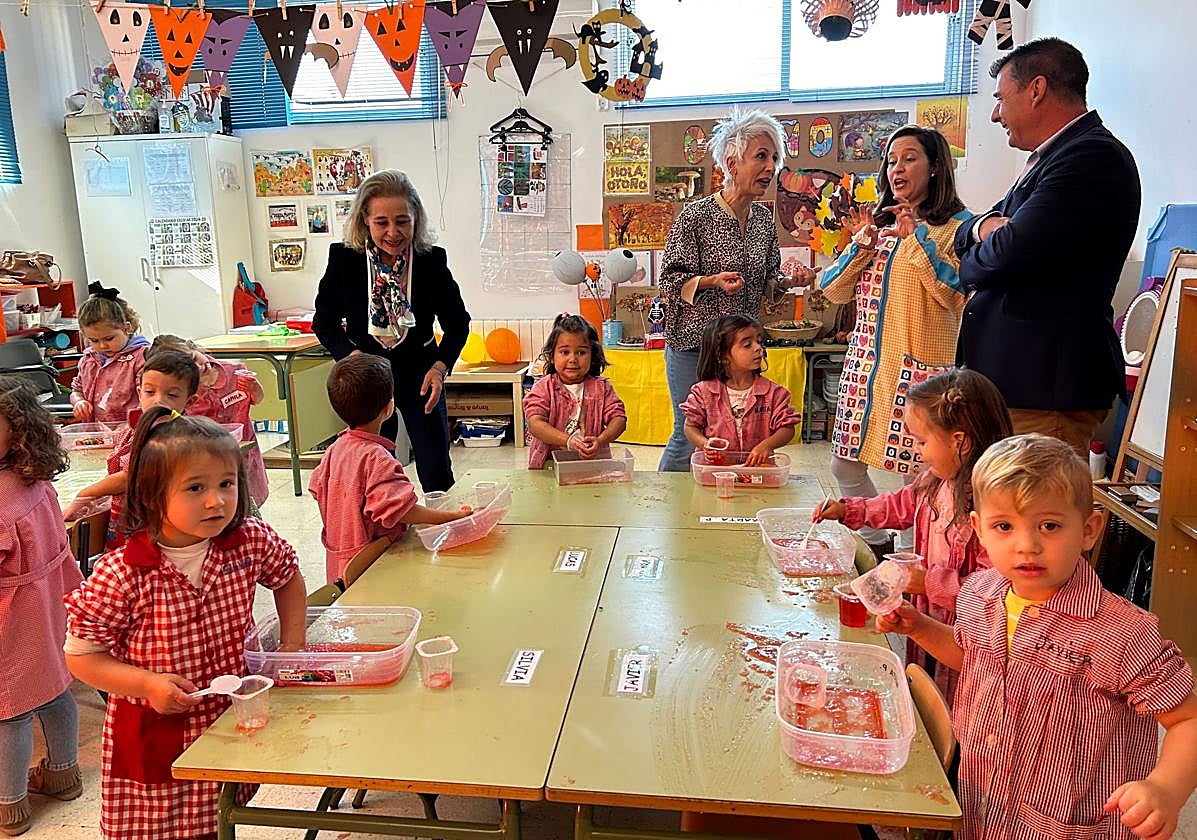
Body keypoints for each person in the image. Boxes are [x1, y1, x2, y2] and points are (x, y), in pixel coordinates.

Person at [879, 434, 1197, 840]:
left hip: (1071, 824)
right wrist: (920, 627)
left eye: (1049, 525)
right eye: (1004, 526)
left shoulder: (1121, 632)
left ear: (1089, 529)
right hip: (982, 807)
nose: (1027, 545)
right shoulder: (979, 593)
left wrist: (1166, 787)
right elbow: (974, 658)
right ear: (979, 529)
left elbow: (1187, 719)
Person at [64, 407, 307, 840]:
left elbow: (288, 578)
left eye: (226, 484)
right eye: (196, 487)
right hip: (154, 725)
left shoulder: (247, 540)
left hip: (227, 714)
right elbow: (82, 658)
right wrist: (147, 685)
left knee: (221, 815)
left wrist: (291, 645)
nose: (216, 501)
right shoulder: (122, 572)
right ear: (153, 495)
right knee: (159, 827)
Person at [954, 38, 1140, 456]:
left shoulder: (1091, 157)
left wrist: (985, 240)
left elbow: (1004, 255)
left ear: (1036, 89)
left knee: (1034, 514)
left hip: (1045, 390)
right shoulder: (1049, 160)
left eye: (1002, 98)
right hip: (1016, 385)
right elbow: (964, 237)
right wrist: (984, 230)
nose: (996, 113)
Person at [818, 125, 973, 558]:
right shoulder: (882, 224)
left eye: (909, 158)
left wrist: (917, 239)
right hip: (866, 370)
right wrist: (861, 245)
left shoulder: (959, 228)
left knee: (920, 480)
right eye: (890, 160)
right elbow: (832, 290)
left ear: (936, 166)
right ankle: (878, 543)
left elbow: (952, 293)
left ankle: (917, 566)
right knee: (843, 463)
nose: (897, 168)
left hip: (920, 375)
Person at [813, 368, 1012, 701]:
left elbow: (995, 591)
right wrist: (849, 510)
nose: (917, 450)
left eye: (922, 441)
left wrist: (929, 583)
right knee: (924, 688)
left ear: (959, 442)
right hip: (926, 625)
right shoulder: (934, 480)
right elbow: (900, 505)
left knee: (950, 707)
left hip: (967, 643)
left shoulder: (994, 508)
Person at [657, 107, 815, 472]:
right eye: (761, 156)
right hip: (693, 347)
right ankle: (670, 513)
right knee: (689, 432)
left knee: (734, 434)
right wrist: (711, 281)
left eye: (774, 157)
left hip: (740, 352)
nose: (770, 167)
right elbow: (669, 282)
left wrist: (792, 282)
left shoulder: (762, 219)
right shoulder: (695, 216)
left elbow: (768, 284)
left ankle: (719, 502)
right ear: (732, 162)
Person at [313, 170, 471, 492]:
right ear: (365, 221)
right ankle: (383, 536)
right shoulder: (344, 260)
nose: (393, 232)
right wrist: (352, 357)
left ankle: (444, 534)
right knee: (372, 471)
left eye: (402, 221)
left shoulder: (431, 261)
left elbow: (458, 323)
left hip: (421, 374)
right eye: (381, 222)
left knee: (435, 469)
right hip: (367, 379)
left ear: (416, 218)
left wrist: (440, 368)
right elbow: (324, 323)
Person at [0, 378, 83, 836]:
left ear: (18, 433)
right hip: (48, 600)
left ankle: (9, 805)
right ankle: (63, 774)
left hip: (10, 614)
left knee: (8, 708)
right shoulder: (37, 481)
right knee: (54, 688)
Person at [310, 355, 472, 584]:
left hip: (338, 563)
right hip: (374, 564)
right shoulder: (377, 458)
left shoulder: (334, 449)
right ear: (389, 407)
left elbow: (318, 490)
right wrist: (451, 517)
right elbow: (403, 511)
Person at [63, 350, 201, 549]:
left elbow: (131, 475)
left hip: (156, 523)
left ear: (189, 402)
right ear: (139, 392)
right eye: (150, 392)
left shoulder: (175, 436)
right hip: (127, 515)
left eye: (171, 395)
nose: (158, 400)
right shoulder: (132, 426)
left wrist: (86, 495)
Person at [148, 335, 269, 508]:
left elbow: (256, 400)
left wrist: (256, 390)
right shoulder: (185, 393)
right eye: (190, 368)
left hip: (244, 453)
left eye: (194, 358)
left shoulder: (235, 371)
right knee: (219, 502)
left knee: (248, 502)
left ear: (195, 347)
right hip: (207, 457)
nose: (199, 367)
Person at [681, 315, 800, 467]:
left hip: (759, 471)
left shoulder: (774, 393)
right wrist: (705, 444)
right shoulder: (703, 392)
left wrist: (766, 446)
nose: (758, 348)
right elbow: (690, 427)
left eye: (758, 341)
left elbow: (787, 429)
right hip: (716, 471)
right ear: (722, 356)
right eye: (747, 344)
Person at [523, 314, 627, 469]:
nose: (573, 359)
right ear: (552, 356)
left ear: (592, 356)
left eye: (581, 353)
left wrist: (601, 441)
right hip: (549, 466)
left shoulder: (602, 388)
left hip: (592, 466)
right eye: (565, 352)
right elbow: (535, 424)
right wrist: (568, 440)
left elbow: (619, 419)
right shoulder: (543, 387)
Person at [71, 283, 150, 425]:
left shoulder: (141, 357)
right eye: (94, 340)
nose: (102, 345)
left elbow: (149, 397)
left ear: (126, 328)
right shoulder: (89, 359)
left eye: (109, 338)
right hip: (97, 432)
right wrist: (79, 401)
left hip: (131, 431)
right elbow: (77, 390)